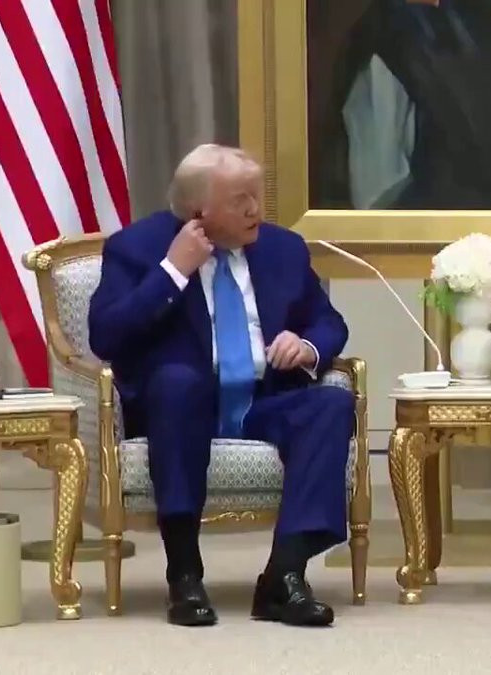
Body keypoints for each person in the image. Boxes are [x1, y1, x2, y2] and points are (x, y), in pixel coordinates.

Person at [88, 144, 353, 628]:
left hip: (263, 400)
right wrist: (174, 270)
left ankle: (284, 576)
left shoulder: (283, 249)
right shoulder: (136, 248)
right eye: (240, 200)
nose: (255, 210)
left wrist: (306, 345)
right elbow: (106, 336)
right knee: (176, 384)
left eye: (256, 195)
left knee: (332, 405)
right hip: (182, 409)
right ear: (198, 212)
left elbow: (328, 322)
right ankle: (184, 575)